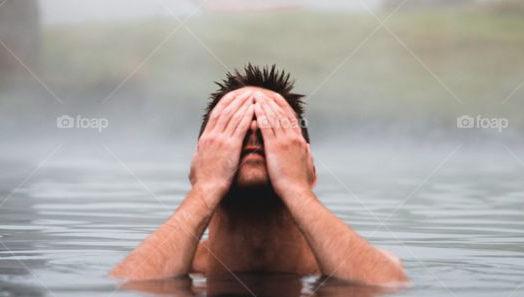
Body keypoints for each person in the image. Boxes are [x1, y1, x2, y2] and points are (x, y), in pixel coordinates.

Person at [110, 63, 408, 285]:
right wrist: (206, 187)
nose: (253, 135)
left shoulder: (365, 265)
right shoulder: (170, 265)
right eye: (233, 127)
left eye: (272, 129)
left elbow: (388, 285)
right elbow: (125, 291)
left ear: (310, 169)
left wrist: (296, 188)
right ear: (199, 163)